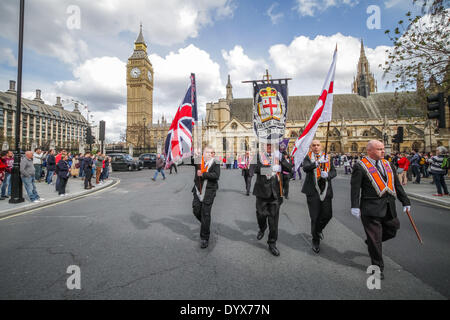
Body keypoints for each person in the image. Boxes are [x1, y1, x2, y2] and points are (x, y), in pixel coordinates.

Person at [351, 140, 411, 280]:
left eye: (383, 148)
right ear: (370, 151)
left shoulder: (388, 164)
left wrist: (405, 201)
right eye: (379, 149)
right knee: (376, 238)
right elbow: (355, 188)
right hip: (370, 208)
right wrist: (354, 205)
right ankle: (377, 268)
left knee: (393, 229)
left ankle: (370, 243)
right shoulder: (360, 166)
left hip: (389, 206)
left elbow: (396, 184)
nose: (383, 151)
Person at [301, 139, 337, 253]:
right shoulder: (308, 157)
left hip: (326, 190)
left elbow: (334, 172)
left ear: (321, 146)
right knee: (315, 217)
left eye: (318, 145)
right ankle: (315, 241)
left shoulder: (328, 157)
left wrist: (328, 175)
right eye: (314, 145)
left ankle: (318, 230)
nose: (316, 147)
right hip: (312, 191)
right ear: (311, 147)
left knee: (328, 214)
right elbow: (305, 168)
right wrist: (316, 163)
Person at [253, 143, 283, 257]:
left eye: (272, 145)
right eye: (267, 145)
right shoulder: (258, 156)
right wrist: (269, 170)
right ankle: (262, 227)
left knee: (273, 222)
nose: (270, 147)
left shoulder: (279, 156)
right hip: (261, 192)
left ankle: (272, 243)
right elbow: (254, 169)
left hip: (275, 193)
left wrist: (282, 162)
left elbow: (289, 168)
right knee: (260, 215)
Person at [192, 146, 220, 249]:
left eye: (210, 152)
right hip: (197, 190)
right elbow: (185, 161)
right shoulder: (198, 160)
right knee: (196, 210)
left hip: (209, 191)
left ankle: (204, 238)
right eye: (207, 152)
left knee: (206, 213)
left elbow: (216, 175)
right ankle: (205, 224)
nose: (209, 154)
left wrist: (203, 174)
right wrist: (194, 154)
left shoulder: (215, 162)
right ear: (203, 153)